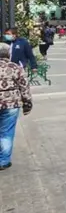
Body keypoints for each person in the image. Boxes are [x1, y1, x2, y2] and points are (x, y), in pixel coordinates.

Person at [0, 43, 33, 171]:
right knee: (6, 133)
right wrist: (27, 104)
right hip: (11, 104)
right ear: (9, 54)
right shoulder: (15, 68)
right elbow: (24, 87)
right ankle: (3, 161)